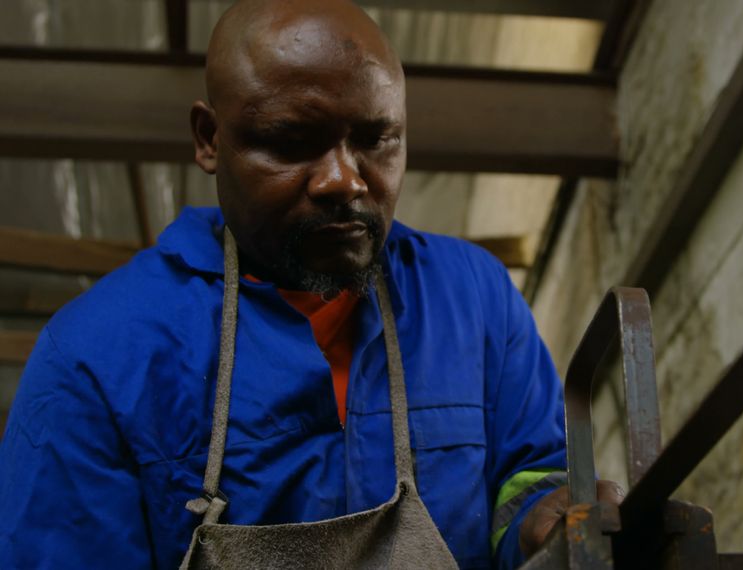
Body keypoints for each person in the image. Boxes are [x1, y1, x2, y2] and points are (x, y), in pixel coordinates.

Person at [0, 1, 621, 568]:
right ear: (210, 139)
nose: (343, 181)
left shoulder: (473, 299)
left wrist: (545, 514)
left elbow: (527, 471)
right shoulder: (95, 359)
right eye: (293, 142)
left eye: (376, 139)